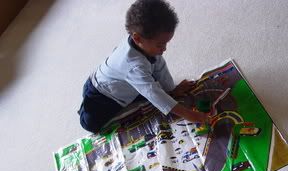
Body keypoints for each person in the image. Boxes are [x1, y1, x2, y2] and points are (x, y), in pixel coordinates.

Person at [78, 0, 210, 133]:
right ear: (137, 39)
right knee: (90, 124)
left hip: (124, 83)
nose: (164, 49)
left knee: (154, 82)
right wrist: (190, 115)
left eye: (166, 43)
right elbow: (154, 93)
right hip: (103, 95)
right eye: (160, 45)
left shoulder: (146, 47)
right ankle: (85, 106)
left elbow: (160, 67)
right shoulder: (133, 67)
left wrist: (172, 90)